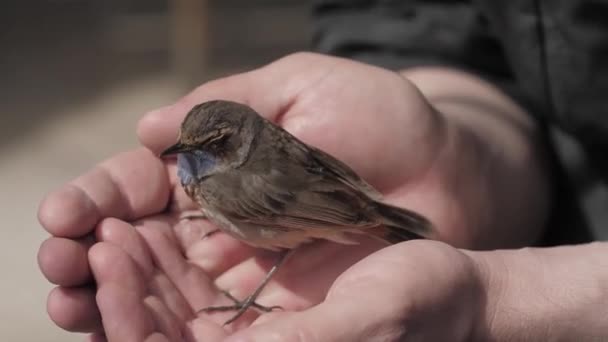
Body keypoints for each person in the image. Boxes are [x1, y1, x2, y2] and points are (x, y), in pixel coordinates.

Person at [37, 1, 608, 341]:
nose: (187, 153)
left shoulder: (233, 186)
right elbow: (429, 24)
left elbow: (291, 230)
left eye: (207, 147)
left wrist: (501, 297)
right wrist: (464, 151)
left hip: (319, 212)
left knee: (282, 244)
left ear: (234, 143)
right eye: (188, 146)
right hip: (500, 169)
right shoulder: (215, 163)